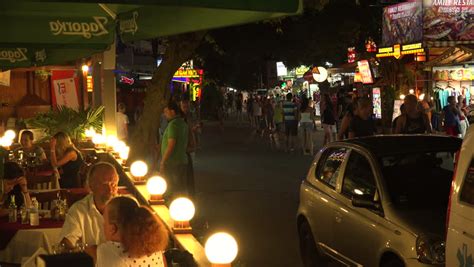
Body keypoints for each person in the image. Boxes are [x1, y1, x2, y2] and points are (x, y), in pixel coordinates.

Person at [59, 162, 119, 253]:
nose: (110, 190)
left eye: (113, 184)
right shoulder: (78, 210)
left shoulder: (126, 208)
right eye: (104, 184)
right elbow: (66, 243)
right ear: (91, 185)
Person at [97, 196, 168, 266]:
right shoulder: (154, 249)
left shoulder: (107, 251)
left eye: (104, 222)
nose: (102, 226)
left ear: (112, 229)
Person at [160, 101, 189, 197]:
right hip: (183, 161)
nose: (164, 114)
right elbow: (192, 143)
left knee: (171, 188)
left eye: (166, 112)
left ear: (172, 111)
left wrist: (163, 161)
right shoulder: (183, 123)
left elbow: (171, 144)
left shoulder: (173, 124)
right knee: (180, 188)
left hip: (172, 162)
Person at [180, 98, 197, 198]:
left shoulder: (190, 116)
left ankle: (189, 194)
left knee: (188, 170)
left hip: (187, 148)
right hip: (183, 149)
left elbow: (194, 128)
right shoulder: (179, 118)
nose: (185, 109)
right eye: (183, 106)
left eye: (186, 107)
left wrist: (194, 129)